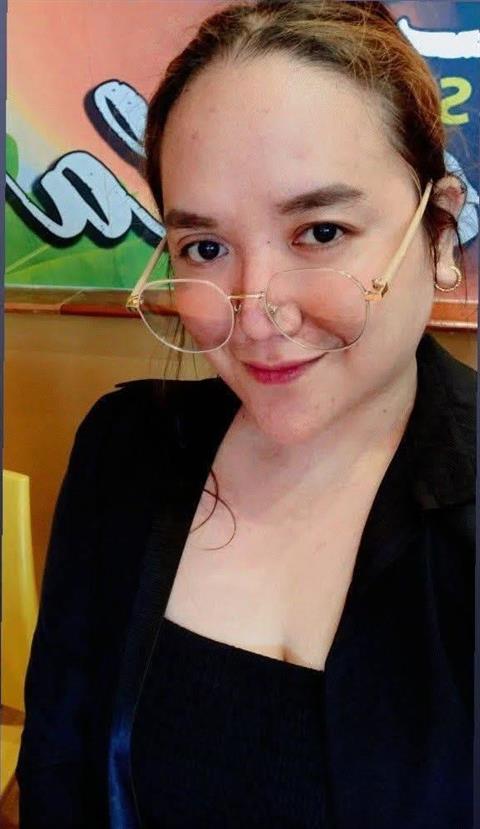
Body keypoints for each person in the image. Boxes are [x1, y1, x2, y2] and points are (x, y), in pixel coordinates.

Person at [16, 1, 475, 827]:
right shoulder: (125, 450)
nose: (256, 314)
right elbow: (59, 769)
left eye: (321, 231)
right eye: (205, 247)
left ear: (438, 230)